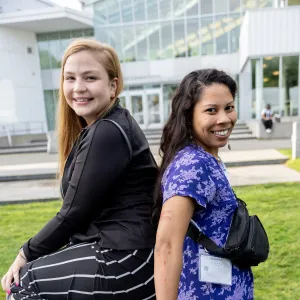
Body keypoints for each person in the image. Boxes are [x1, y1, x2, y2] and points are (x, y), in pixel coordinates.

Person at [1, 39, 157, 300]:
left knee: (23, 284)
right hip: (132, 254)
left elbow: (73, 214)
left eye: (90, 77)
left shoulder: (107, 131)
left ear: (113, 86)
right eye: (70, 78)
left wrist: (24, 253)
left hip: (126, 262)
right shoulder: (109, 124)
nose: (78, 88)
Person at [153, 69, 254, 299]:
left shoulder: (206, 157)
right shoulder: (193, 165)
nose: (224, 119)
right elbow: (166, 246)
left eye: (229, 107)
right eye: (211, 110)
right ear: (189, 116)